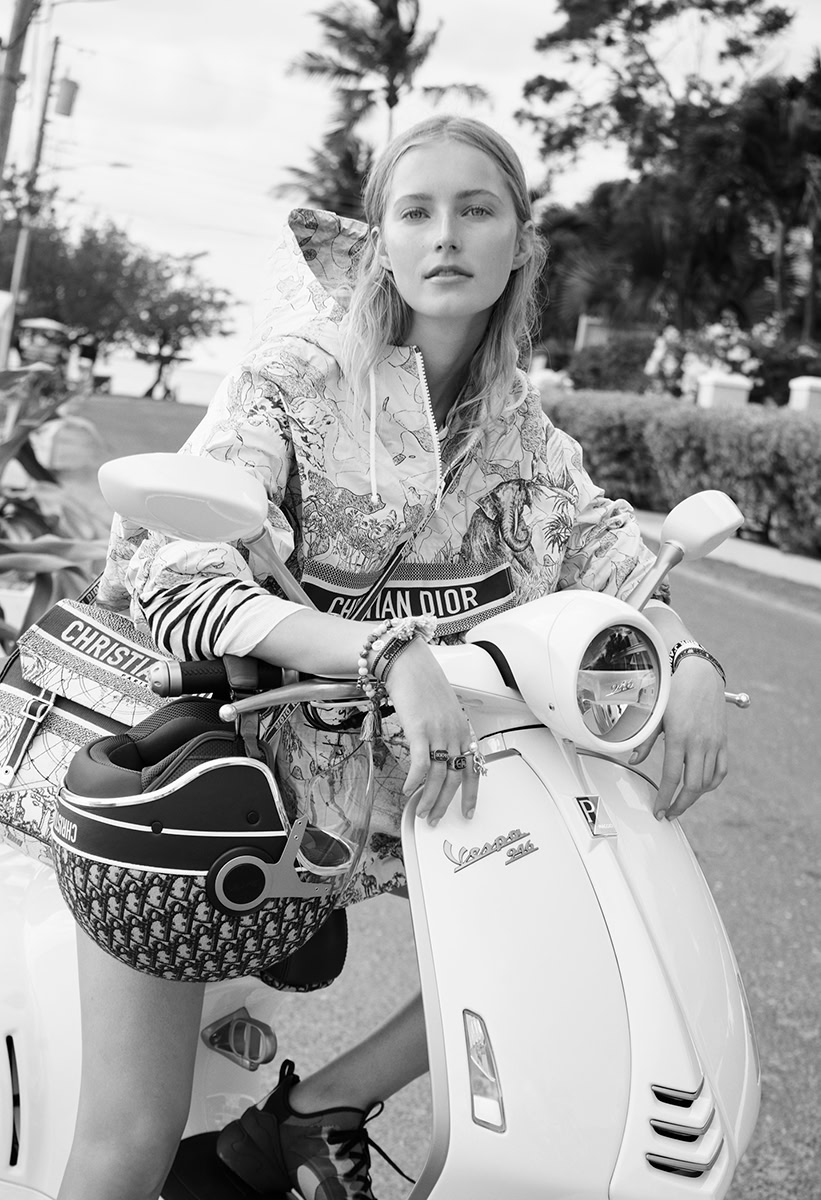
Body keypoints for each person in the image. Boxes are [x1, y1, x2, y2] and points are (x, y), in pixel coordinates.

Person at [57, 115, 728, 1200]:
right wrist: (386, 650)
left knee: (557, 925)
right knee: (128, 1139)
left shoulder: (518, 428)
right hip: (201, 782)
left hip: (374, 808)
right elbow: (176, 578)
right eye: (415, 211)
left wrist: (687, 660)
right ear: (378, 241)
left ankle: (317, 1106)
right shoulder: (297, 377)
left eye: (476, 210)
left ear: (520, 244)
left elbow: (609, 553)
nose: (445, 234)